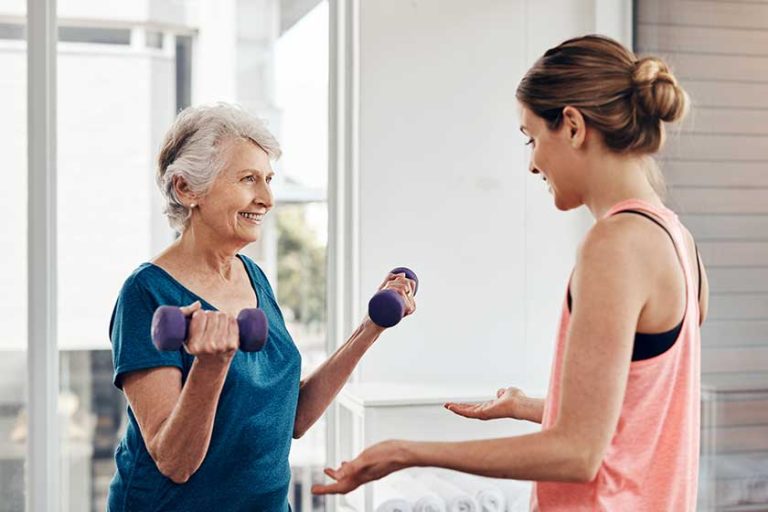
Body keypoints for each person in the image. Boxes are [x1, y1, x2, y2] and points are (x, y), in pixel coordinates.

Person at [312, 34, 709, 511]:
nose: (532, 163)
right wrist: (527, 407)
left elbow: (578, 454)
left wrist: (406, 452)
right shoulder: (677, 239)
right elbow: (632, 418)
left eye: (532, 138)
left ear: (574, 126)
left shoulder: (615, 245)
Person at [106, 103, 416, 511]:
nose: (267, 198)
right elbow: (174, 461)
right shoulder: (145, 294)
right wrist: (211, 364)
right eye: (248, 179)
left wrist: (370, 327)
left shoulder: (252, 276)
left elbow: (293, 419)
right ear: (186, 189)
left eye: (268, 179)